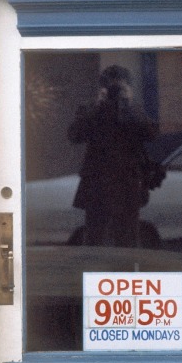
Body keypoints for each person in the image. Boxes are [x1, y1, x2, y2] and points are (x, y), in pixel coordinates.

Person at [68, 65, 159, 247]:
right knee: (94, 237)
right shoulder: (91, 109)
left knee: (128, 238)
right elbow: (74, 135)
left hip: (127, 183)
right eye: (111, 87)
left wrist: (130, 105)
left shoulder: (134, 109)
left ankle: (127, 272)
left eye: (120, 87)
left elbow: (151, 134)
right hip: (97, 182)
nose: (115, 92)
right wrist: (97, 106)